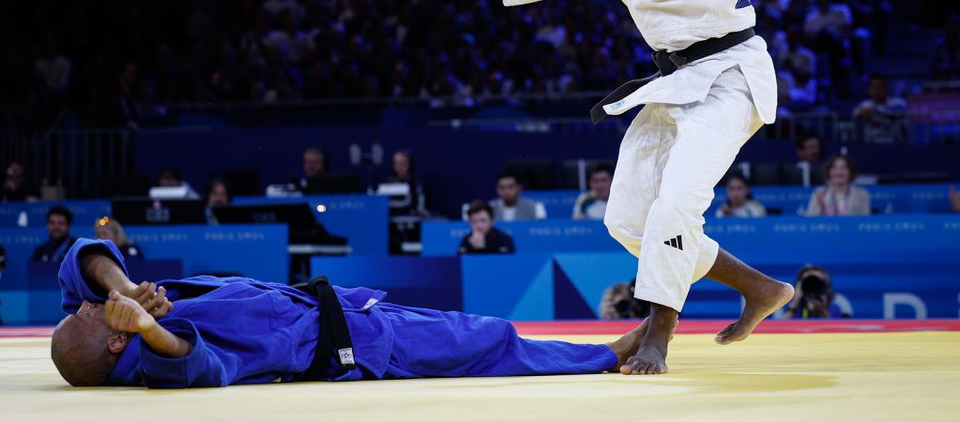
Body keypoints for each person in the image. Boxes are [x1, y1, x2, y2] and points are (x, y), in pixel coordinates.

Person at [430, 0, 793, 374]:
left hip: (728, 76)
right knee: (626, 220)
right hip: (673, 81)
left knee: (676, 204)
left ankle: (656, 338)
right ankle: (760, 288)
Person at [50, 238, 656, 388]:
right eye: (84, 317)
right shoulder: (149, 358)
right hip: (354, 347)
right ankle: (608, 355)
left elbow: (81, 253)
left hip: (339, 311)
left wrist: (126, 287)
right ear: (110, 345)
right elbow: (195, 368)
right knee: (486, 341)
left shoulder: (123, 305)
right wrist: (151, 326)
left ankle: (603, 352)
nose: (84, 305)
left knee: (476, 336)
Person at [805, 155, 871, 216]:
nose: (839, 172)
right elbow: (811, 220)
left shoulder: (862, 195)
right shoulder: (819, 193)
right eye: (834, 168)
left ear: (851, 172)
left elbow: (866, 221)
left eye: (844, 168)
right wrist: (822, 207)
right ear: (829, 172)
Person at [780, 264, 851, 319]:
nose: (812, 286)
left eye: (816, 283)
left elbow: (842, 330)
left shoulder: (838, 306)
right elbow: (780, 327)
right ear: (799, 285)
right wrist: (794, 304)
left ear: (826, 286)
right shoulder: (789, 308)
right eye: (808, 282)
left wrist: (823, 311)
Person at [852, 74, 908, 143]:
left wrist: (874, 111)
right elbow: (855, 112)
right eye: (873, 87)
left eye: (880, 87)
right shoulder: (865, 104)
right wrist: (863, 112)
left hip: (894, 144)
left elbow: (897, 110)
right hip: (871, 144)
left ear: (886, 88)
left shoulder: (898, 102)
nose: (877, 90)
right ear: (869, 90)